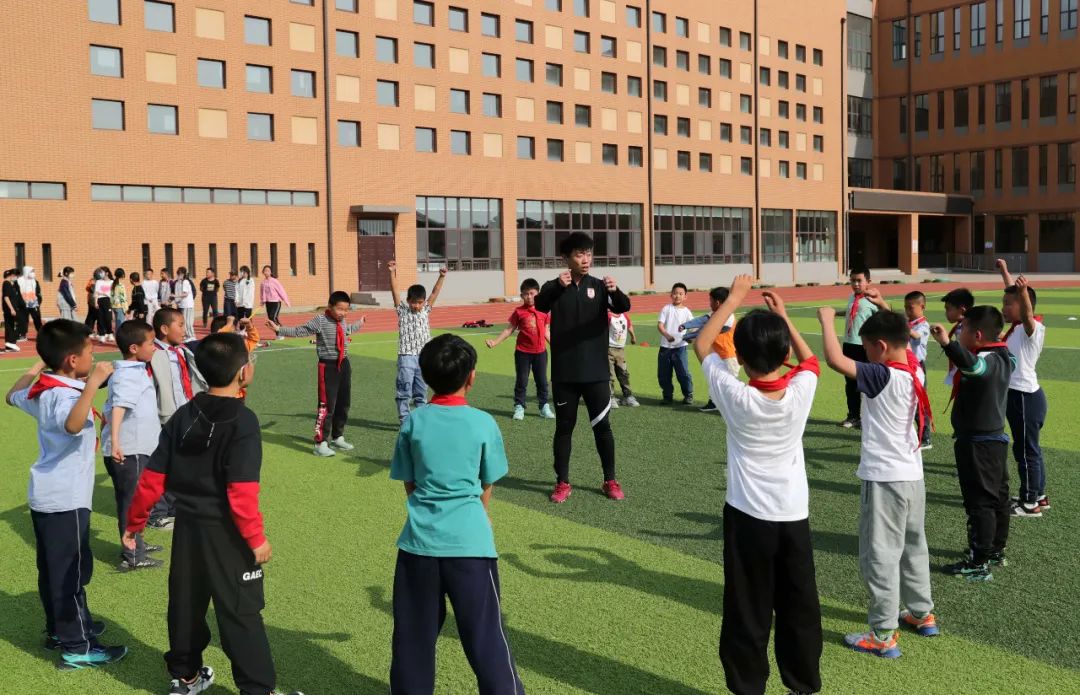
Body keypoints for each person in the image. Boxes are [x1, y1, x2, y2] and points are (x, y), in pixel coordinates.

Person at [124, 333, 304, 695]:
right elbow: (240, 492)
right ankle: (259, 690)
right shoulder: (243, 421)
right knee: (240, 611)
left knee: (186, 606)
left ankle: (185, 678)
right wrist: (256, 538)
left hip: (188, 532)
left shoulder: (183, 414)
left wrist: (134, 523)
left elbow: (153, 478)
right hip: (227, 534)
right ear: (242, 372)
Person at [692, 276, 822, 695]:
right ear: (784, 354)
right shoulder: (802, 389)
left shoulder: (735, 395)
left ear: (741, 357)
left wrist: (732, 299)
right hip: (793, 516)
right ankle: (802, 686)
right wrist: (784, 318)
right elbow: (811, 362)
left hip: (747, 516)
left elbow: (702, 344)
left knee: (747, 609)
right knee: (799, 606)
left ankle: (748, 688)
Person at [388, 334, 525, 695]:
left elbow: (409, 482)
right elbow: (486, 480)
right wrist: (480, 513)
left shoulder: (413, 422)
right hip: (470, 545)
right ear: (471, 376)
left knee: (412, 640)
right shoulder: (483, 423)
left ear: (426, 376)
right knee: (486, 637)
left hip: (419, 545)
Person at [5, 319, 128, 669]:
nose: (95, 358)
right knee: (70, 574)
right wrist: (91, 386)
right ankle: (78, 645)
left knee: (54, 571)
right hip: (65, 499)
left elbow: (12, 396)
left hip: (50, 496)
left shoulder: (46, 389)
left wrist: (36, 367)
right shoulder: (63, 395)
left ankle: (62, 630)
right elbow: (73, 425)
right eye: (90, 352)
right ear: (73, 360)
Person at [819, 308, 938, 659]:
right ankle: (922, 613)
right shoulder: (915, 367)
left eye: (867, 347)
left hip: (885, 478)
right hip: (912, 475)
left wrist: (826, 321)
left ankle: (883, 633)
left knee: (881, 555)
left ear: (881, 346)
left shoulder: (882, 375)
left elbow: (836, 360)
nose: (865, 354)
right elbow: (902, 341)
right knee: (914, 547)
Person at [535, 232, 631, 503]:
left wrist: (615, 290)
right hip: (565, 373)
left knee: (603, 427)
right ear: (566, 258)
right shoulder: (555, 286)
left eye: (588, 254)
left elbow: (624, 306)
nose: (586, 259)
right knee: (564, 429)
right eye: (579, 254)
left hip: (596, 373)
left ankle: (610, 480)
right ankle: (562, 482)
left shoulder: (599, 286)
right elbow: (540, 305)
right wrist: (557, 286)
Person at [930, 306, 1014, 582]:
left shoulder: (987, 360)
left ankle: (979, 561)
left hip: (979, 443)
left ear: (977, 335)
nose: (958, 333)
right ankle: (994, 550)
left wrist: (947, 344)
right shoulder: (1004, 354)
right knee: (997, 498)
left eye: (962, 329)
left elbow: (975, 367)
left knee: (980, 502)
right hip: (993, 440)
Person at [268, 292, 366, 456]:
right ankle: (320, 443)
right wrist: (279, 329)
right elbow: (301, 330)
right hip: (328, 366)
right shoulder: (320, 320)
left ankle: (337, 436)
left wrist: (359, 324)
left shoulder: (341, 320)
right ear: (330, 306)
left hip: (344, 364)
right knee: (326, 406)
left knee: (343, 403)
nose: (343, 313)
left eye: (346, 309)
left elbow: (346, 331)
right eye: (340, 309)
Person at [101, 320, 164, 572]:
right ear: (134, 348)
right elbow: (119, 407)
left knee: (137, 500)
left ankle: (136, 544)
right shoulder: (127, 373)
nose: (154, 347)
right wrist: (116, 442)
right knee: (131, 501)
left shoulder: (134, 369)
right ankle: (133, 555)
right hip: (129, 449)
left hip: (137, 448)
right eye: (150, 343)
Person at [997, 260, 1049, 517]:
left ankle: (1029, 503)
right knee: (1029, 449)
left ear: (1023, 303)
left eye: (1008, 304)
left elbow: (1026, 314)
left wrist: (1024, 292)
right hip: (1021, 396)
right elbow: (1014, 296)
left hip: (1024, 397)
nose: (1003, 308)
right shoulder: (1016, 328)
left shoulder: (1032, 329)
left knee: (1026, 451)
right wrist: (1005, 273)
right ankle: (1038, 495)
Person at [148, 307, 207, 529]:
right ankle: (156, 513)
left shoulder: (182, 351)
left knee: (182, 464)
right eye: (180, 325)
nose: (185, 329)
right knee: (164, 466)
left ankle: (175, 506)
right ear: (164, 329)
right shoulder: (152, 354)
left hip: (186, 415)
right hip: (164, 419)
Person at [485, 278, 555, 420]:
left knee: (542, 381)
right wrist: (495, 342)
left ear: (538, 293)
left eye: (532, 293)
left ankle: (543, 406)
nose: (529, 297)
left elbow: (546, 331)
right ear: (521, 295)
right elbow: (509, 330)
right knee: (521, 381)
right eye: (526, 294)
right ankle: (519, 406)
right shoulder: (518, 312)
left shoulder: (544, 311)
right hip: (523, 353)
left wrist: (557, 347)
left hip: (540, 353)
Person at [388, 261, 447, 423]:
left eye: (420, 302)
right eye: (413, 302)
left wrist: (441, 276)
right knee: (404, 390)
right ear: (408, 300)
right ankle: (404, 419)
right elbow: (395, 291)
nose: (416, 305)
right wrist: (392, 272)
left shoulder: (426, 310)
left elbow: (434, 293)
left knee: (421, 392)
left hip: (424, 357)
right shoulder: (402, 311)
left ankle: (421, 420)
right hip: (406, 356)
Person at [839, 267, 889, 429]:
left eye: (859, 280)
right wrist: (835, 313)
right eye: (852, 280)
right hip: (849, 344)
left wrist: (881, 303)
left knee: (868, 383)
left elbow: (888, 315)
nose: (855, 284)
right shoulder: (851, 297)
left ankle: (871, 418)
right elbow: (852, 312)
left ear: (868, 282)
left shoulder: (872, 299)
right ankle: (854, 416)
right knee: (850, 384)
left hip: (864, 347)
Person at [682, 287, 738, 413]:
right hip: (717, 355)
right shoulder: (715, 314)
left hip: (728, 356)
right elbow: (702, 322)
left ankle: (733, 406)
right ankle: (713, 403)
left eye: (711, 301)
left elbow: (707, 329)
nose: (709, 303)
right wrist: (688, 330)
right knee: (715, 380)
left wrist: (691, 335)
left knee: (729, 383)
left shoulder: (728, 316)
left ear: (717, 302)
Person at [656, 283, 695, 405]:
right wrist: (667, 335)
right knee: (664, 374)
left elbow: (692, 327)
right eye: (675, 293)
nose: (677, 296)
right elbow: (660, 325)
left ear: (685, 296)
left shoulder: (687, 312)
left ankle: (688, 395)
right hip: (665, 348)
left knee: (683, 372)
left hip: (680, 347)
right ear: (671, 295)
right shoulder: (666, 308)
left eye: (680, 294)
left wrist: (691, 337)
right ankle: (667, 396)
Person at [905, 291, 933, 449]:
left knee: (919, 402)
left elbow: (916, 336)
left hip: (917, 367)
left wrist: (902, 326)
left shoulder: (923, 326)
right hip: (905, 366)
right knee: (907, 399)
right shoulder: (910, 324)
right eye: (906, 308)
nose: (908, 311)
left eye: (911, 308)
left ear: (922, 307)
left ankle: (925, 438)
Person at [940, 287, 975, 387]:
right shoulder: (960, 326)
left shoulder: (972, 326)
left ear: (962, 310)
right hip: (961, 372)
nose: (946, 313)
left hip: (968, 375)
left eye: (948, 309)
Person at [607, 309, 639, 408]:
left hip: (620, 350)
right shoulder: (608, 316)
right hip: (608, 349)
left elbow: (629, 325)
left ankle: (628, 396)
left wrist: (633, 336)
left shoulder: (624, 315)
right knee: (610, 375)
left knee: (623, 374)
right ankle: (610, 397)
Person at [259, 266, 289, 338]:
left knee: (273, 318)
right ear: (263, 272)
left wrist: (286, 300)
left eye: (268, 270)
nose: (266, 272)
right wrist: (262, 301)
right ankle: (278, 333)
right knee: (270, 319)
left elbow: (281, 291)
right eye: (265, 270)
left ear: (271, 272)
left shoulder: (274, 281)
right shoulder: (263, 283)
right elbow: (262, 293)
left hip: (276, 302)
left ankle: (281, 333)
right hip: (268, 303)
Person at [16, 265, 43, 339]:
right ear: (26, 272)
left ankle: (41, 334)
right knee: (23, 320)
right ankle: (22, 334)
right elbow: (16, 293)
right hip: (23, 304)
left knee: (37, 319)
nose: (33, 273)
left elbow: (38, 292)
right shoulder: (19, 281)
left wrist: (38, 301)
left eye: (33, 271)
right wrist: (21, 302)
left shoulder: (35, 281)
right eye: (32, 271)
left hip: (34, 303)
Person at [173, 267, 197, 341]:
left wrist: (175, 296)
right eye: (178, 274)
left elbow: (185, 294)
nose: (179, 275)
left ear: (183, 274)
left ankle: (191, 336)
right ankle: (187, 336)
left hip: (187, 305)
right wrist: (177, 301)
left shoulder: (186, 282)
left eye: (180, 274)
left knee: (188, 322)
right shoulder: (178, 282)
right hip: (183, 305)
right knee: (184, 322)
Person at [94, 266, 114, 343]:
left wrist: (103, 293)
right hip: (100, 300)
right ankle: (102, 335)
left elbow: (112, 294)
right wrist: (96, 302)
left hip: (108, 301)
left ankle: (109, 333)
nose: (100, 273)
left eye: (102, 272)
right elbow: (96, 292)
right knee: (100, 318)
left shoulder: (112, 282)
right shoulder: (98, 281)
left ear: (107, 273)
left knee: (108, 318)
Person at [3, 268, 21, 351]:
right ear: (12, 275)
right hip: (10, 310)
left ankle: (9, 346)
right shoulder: (6, 284)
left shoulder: (10, 284)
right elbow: (6, 297)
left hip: (12, 309)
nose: (16, 277)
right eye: (16, 276)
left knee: (10, 326)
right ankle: (10, 342)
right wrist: (12, 309)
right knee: (12, 326)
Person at [83, 270, 100, 338]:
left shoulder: (92, 280)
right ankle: (96, 332)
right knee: (96, 317)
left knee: (91, 316)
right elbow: (92, 290)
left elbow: (87, 288)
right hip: (94, 300)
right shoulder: (95, 281)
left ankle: (89, 331)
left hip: (91, 300)